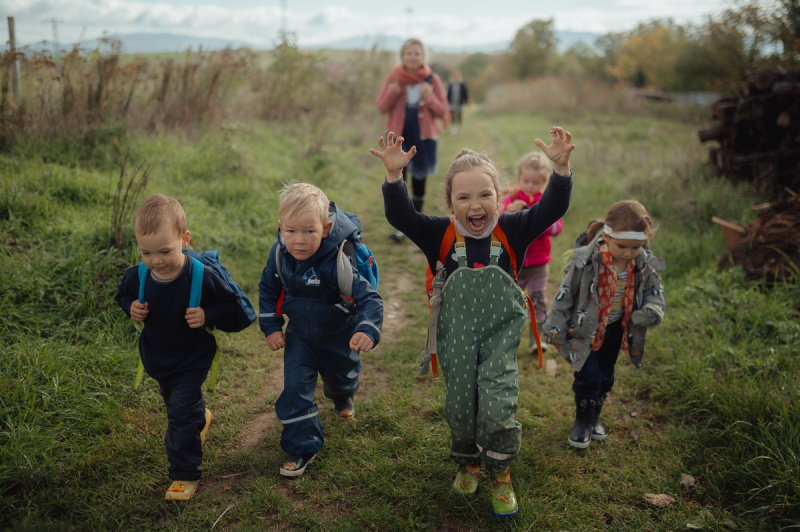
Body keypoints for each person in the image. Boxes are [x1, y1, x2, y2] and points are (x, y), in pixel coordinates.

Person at [370, 127, 574, 519]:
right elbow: (399, 215)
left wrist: (561, 169)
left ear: (500, 197)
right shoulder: (438, 234)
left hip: (500, 337)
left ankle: (500, 471)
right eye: (464, 197)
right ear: (449, 202)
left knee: (498, 405)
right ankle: (468, 461)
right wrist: (394, 177)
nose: (475, 205)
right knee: (461, 404)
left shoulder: (513, 228)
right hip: (456, 338)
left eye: (485, 195)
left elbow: (552, 208)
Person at [115, 194, 239, 501]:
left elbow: (230, 304)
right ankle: (200, 418)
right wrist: (131, 306)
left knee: (179, 416)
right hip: (158, 357)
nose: (156, 260)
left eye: (165, 251)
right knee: (177, 406)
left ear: (184, 240)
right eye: (146, 252)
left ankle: (184, 474)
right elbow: (121, 295)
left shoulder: (200, 276)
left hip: (193, 357)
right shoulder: (138, 275)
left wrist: (207, 314)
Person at [258, 183, 383, 478]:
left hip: (340, 334)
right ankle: (302, 446)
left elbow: (369, 298)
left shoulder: (336, 260)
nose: (298, 241)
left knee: (342, 380)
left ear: (325, 229)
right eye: (290, 231)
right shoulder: (279, 255)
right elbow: (268, 289)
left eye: (309, 231)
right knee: (296, 388)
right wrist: (271, 326)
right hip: (300, 336)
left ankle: (343, 395)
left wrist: (366, 328)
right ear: (281, 227)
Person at [542, 200, 666, 449]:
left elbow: (654, 288)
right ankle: (582, 422)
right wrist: (554, 326)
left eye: (636, 246)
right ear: (607, 236)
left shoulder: (643, 261)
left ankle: (595, 417)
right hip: (586, 330)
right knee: (588, 375)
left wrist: (652, 309)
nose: (629, 253)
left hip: (616, 329)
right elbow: (566, 292)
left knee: (606, 375)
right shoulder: (587, 260)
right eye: (622, 246)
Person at [375, 37, 449, 241]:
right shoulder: (395, 78)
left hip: (423, 137)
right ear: (402, 56)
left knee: (419, 180)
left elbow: (443, 111)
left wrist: (429, 96)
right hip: (399, 136)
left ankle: (416, 223)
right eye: (409, 53)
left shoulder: (432, 79)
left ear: (423, 56)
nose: (413, 57)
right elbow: (381, 107)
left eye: (417, 53)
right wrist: (393, 91)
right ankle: (402, 226)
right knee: (399, 180)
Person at [500, 151, 563, 354]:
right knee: (509, 303)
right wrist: (510, 210)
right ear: (519, 178)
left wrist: (538, 217)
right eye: (525, 180)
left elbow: (557, 228)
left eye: (535, 183)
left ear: (544, 183)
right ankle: (506, 340)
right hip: (512, 263)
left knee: (537, 300)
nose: (529, 185)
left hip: (538, 263)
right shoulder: (511, 197)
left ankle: (537, 341)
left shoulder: (546, 202)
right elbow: (495, 217)